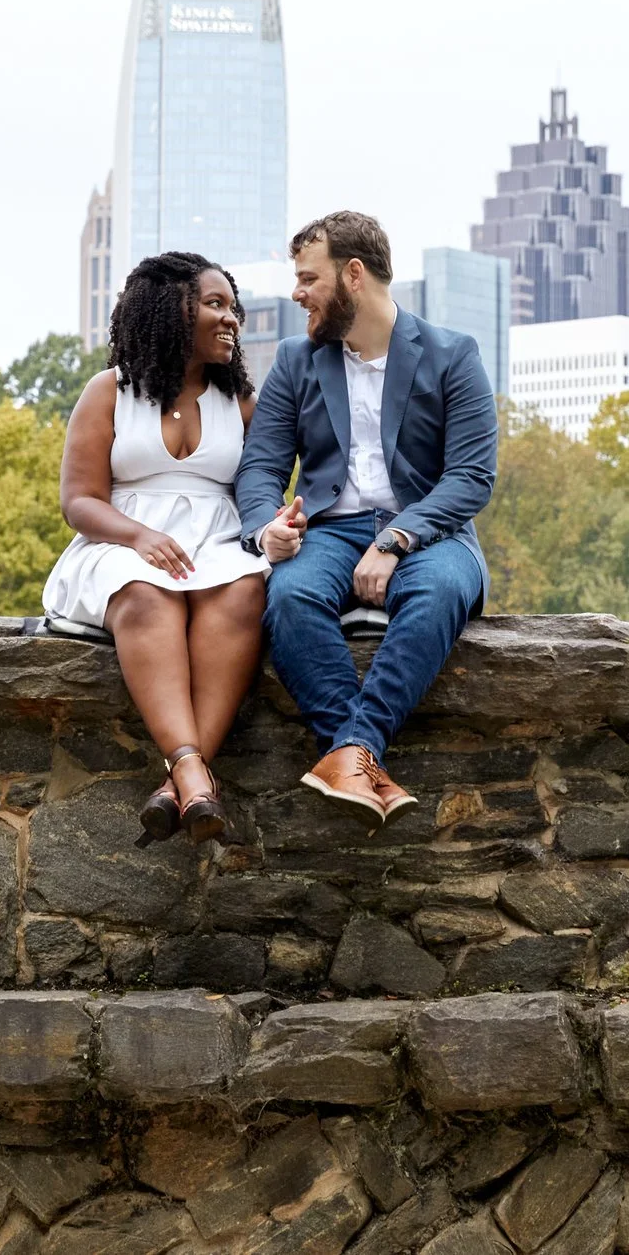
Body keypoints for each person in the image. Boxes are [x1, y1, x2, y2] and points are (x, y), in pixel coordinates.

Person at [236, 211, 498, 824]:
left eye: (308, 278)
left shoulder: (453, 355)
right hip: (325, 530)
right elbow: (260, 469)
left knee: (437, 596)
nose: (296, 293)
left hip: (429, 530)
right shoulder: (296, 360)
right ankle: (359, 757)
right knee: (290, 597)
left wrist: (396, 538)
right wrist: (264, 528)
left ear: (354, 275)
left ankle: (352, 753)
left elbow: (470, 477)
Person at [44, 252, 268, 845]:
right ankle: (194, 773)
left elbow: (263, 492)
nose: (232, 320)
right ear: (173, 311)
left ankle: (185, 780)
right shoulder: (109, 392)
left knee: (246, 590)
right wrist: (138, 536)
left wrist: (276, 529)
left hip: (216, 547)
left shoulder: (241, 402)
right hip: (120, 544)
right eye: (215, 305)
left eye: (234, 308)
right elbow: (79, 500)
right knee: (146, 595)